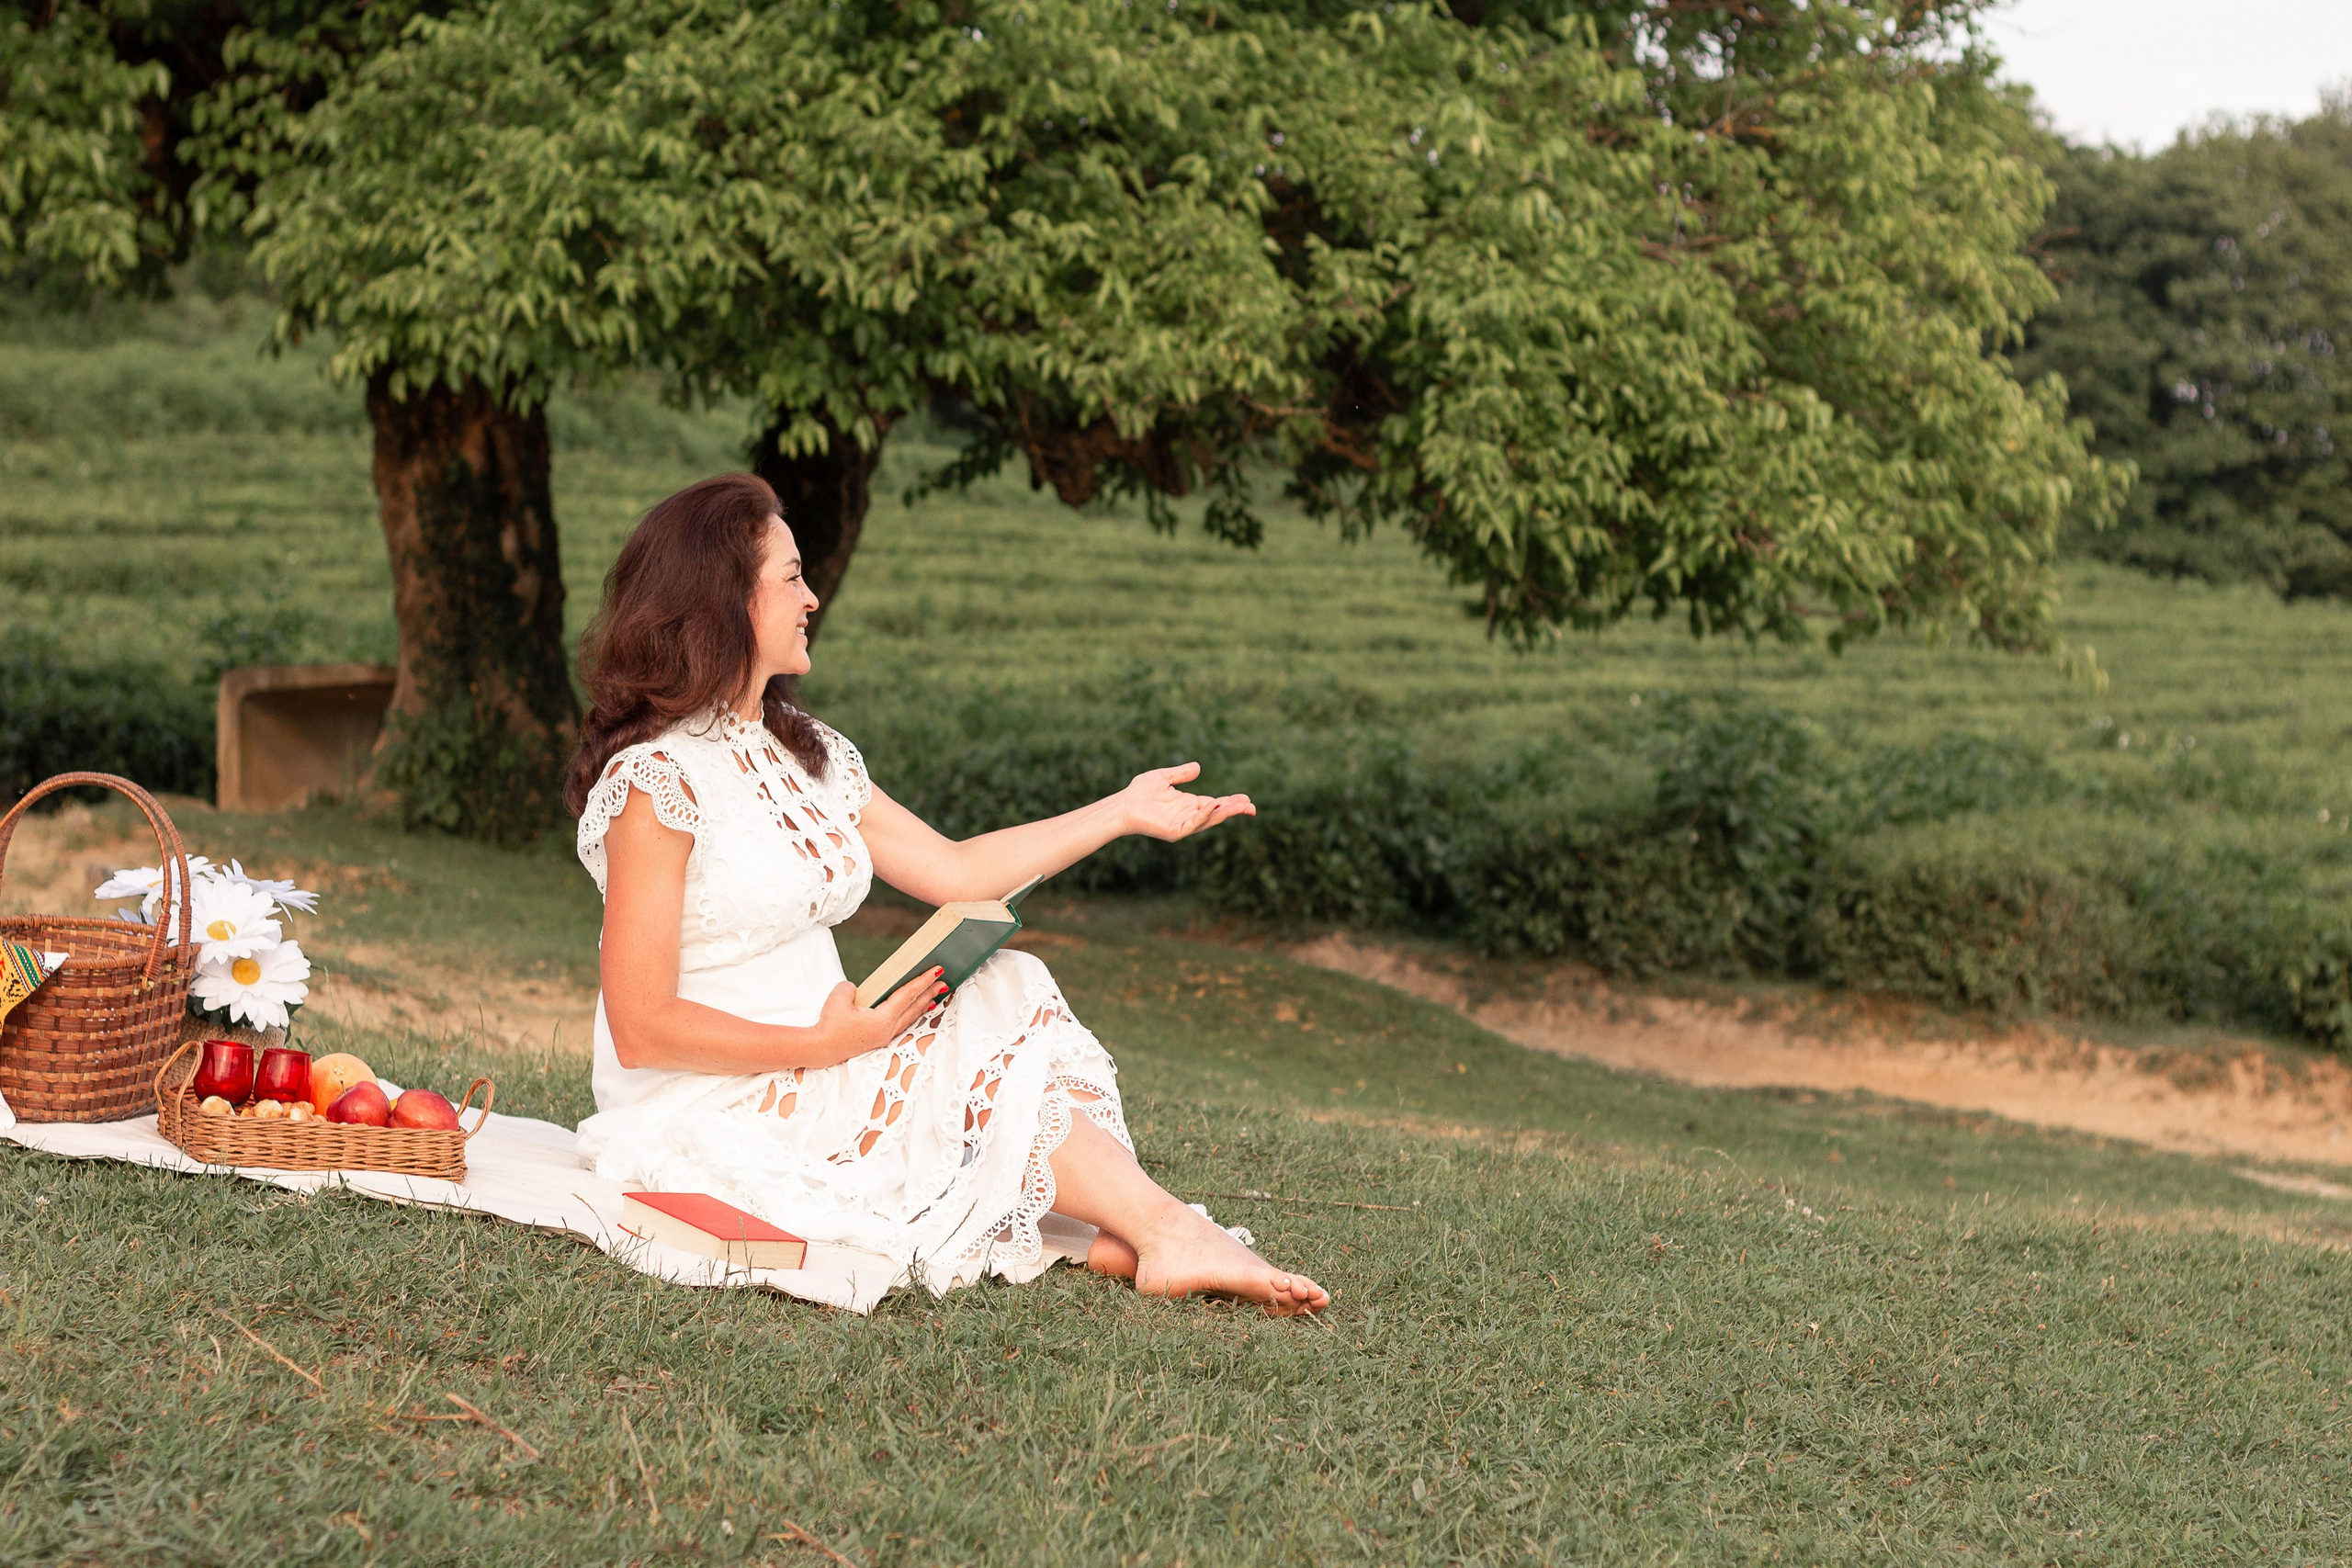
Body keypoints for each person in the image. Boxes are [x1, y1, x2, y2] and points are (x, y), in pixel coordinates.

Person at [563, 474, 1329, 1316]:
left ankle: (1142, 1226)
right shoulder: (656, 782)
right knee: (972, 1025)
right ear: (721, 601)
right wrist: (820, 1045)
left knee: (1006, 983)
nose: (812, 596)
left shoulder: (806, 751)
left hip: (835, 1044)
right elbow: (638, 1028)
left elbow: (957, 870)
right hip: (711, 1096)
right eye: (790, 577)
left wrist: (1121, 812)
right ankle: (1162, 1230)